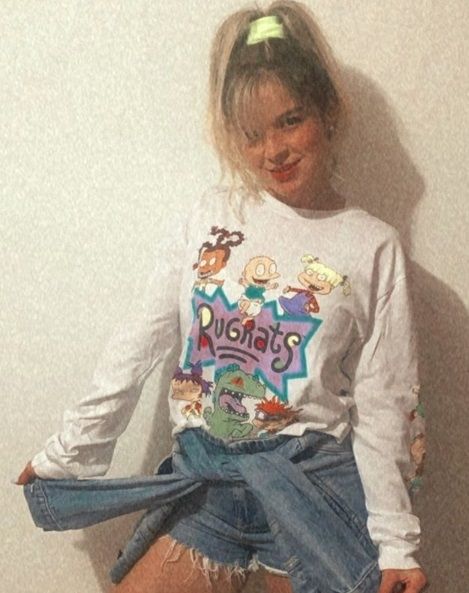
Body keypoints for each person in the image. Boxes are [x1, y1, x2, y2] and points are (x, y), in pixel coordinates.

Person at [17, 2, 428, 593]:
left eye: (290, 121)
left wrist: (396, 544)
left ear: (327, 111)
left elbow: (385, 404)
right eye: (252, 134)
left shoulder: (371, 245)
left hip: (310, 489)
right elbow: (138, 344)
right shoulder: (208, 219)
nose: (273, 150)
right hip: (206, 483)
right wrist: (71, 452)